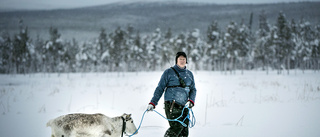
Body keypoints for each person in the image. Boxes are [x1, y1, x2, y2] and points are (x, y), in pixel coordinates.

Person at [147, 51, 197, 137]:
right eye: (180, 59)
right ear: (176, 60)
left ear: (186, 61)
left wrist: (191, 101)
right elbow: (160, 88)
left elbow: (193, 89)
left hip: (185, 107)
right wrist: (153, 103)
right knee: (176, 127)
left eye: (184, 59)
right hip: (172, 105)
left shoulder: (189, 74)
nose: (182, 61)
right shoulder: (168, 72)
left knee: (184, 132)